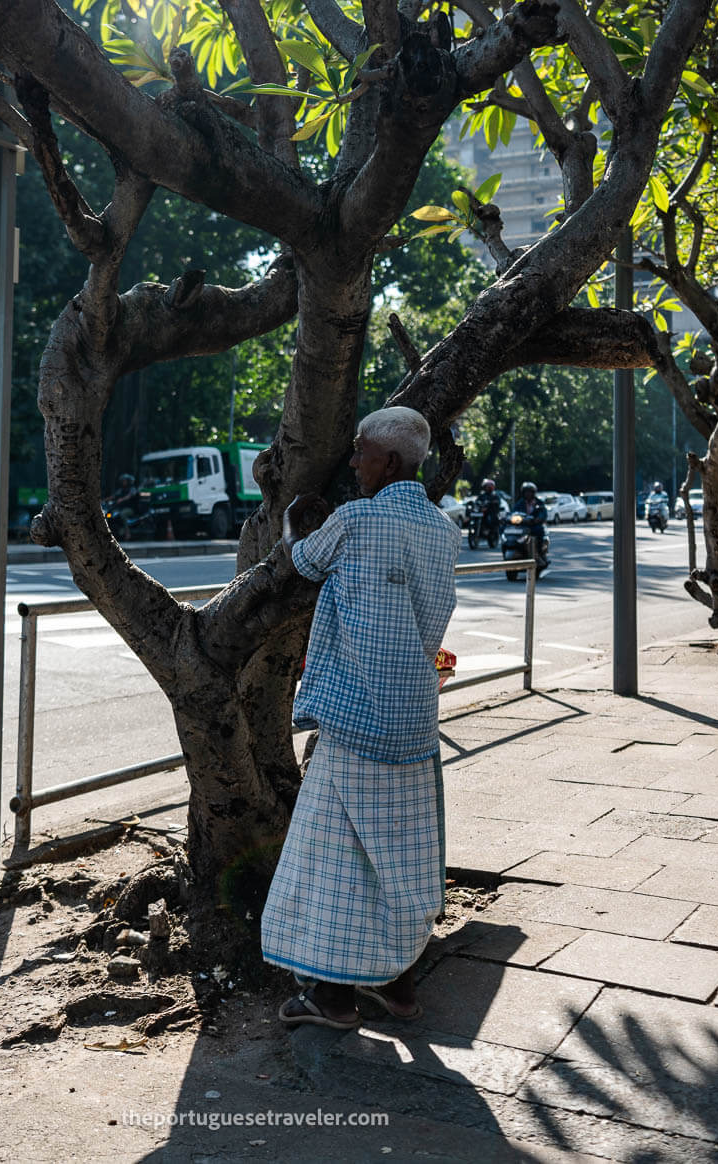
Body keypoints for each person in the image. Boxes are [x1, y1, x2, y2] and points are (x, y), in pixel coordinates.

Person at [261, 407, 461, 1029]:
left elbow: (299, 564)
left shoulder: (355, 519)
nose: (352, 463)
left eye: (360, 453)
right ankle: (396, 985)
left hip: (354, 722)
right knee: (402, 859)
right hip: (415, 722)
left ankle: (333, 998)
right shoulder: (443, 531)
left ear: (390, 462)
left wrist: (293, 525)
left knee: (333, 862)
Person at [513, 481, 548, 567]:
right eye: (526, 492)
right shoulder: (519, 503)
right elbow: (513, 513)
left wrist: (537, 519)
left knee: (539, 531)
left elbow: (543, 513)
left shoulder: (538, 503)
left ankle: (538, 554)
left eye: (530, 492)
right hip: (522, 526)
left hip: (534, 526)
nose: (528, 494)